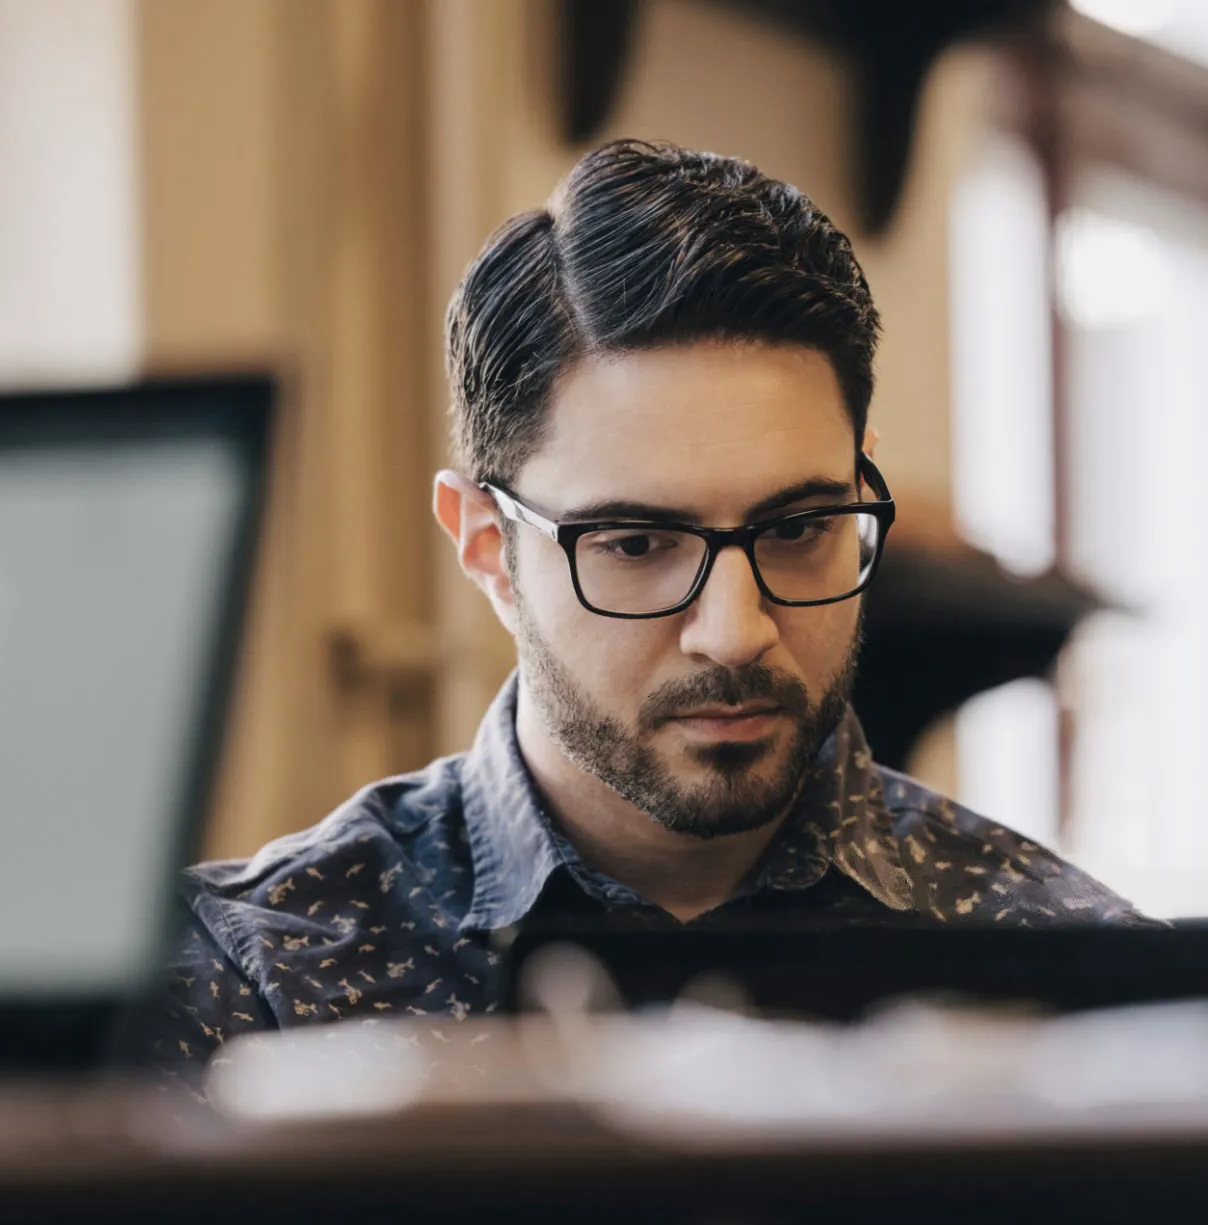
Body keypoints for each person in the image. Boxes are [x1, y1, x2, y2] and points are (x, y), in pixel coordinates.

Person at [118, 139, 1151, 1088]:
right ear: (486, 545)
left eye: (798, 527)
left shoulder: (1076, 976)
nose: (733, 630)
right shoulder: (251, 987)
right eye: (636, 546)